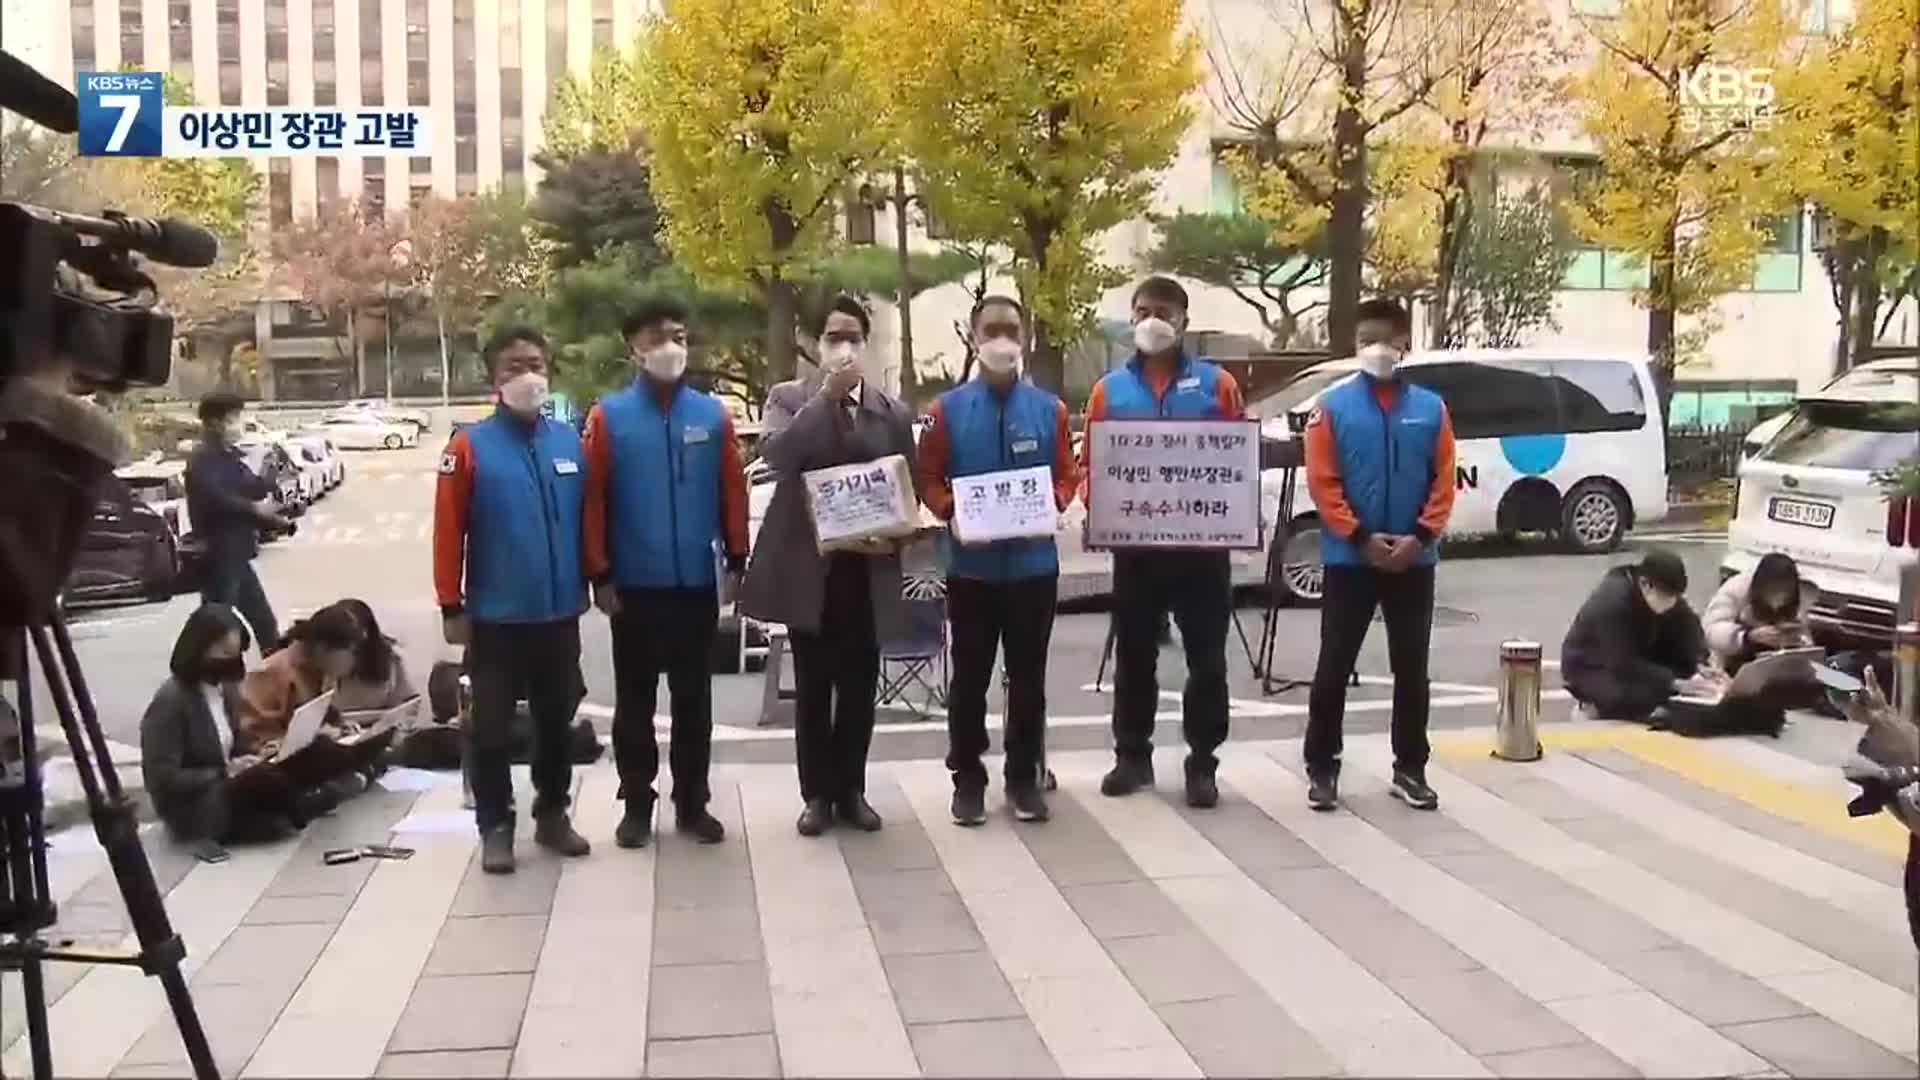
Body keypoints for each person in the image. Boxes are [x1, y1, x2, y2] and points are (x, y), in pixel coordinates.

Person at [740, 295, 918, 837]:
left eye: (853, 338)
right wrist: (825, 400)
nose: (843, 347)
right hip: (810, 569)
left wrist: (900, 532)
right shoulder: (787, 399)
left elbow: (902, 481)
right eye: (833, 338)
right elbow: (778, 455)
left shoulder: (891, 410)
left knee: (861, 685)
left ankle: (852, 789)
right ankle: (815, 793)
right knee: (814, 686)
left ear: (867, 345)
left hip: (868, 567)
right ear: (817, 346)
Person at [584, 299, 749, 848]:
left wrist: (736, 556)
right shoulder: (609, 418)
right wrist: (600, 574)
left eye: (678, 335)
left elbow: (732, 490)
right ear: (635, 349)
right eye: (658, 338)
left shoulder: (711, 415)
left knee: (693, 700)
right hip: (634, 586)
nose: (671, 347)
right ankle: (636, 803)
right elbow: (595, 501)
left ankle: (693, 802)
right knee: (634, 703)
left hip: (694, 585)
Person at [1081, 276, 1245, 809]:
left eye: (1164, 311)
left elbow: (1235, 464)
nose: (1153, 320)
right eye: (1143, 310)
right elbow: (1092, 468)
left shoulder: (1218, 386)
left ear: (1183, 322)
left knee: (1208, 661)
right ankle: (1132, 756)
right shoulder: (1109, 390)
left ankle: (1202, 763)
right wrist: (1103, 506)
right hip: (1137, 551)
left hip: (1202, 552)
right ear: (1131, 319)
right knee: (1134, 657)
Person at [434, 325, 592, 874]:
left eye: (536, 365)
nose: (528, 377)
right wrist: (450, 605)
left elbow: (588, 521)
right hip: (495, 618)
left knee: (557, 721)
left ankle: (552, 814)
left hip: (558, 613)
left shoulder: (569, 440)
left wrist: (597, 578)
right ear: (492, 379)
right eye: (513, 368)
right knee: (491, 728)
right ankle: (496, 826)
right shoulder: (468, 446)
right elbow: (447, 533)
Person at [916, 295, 1078, 826]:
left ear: (1026, 336)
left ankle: (1023, 778)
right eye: (992, 330)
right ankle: (967, 779)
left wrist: (1054, 500)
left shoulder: (1049, 409)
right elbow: (929, 477)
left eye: (1012, 329)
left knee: (1029, 679)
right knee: (969, 680)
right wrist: (949, 512)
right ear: (972, 335)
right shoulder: (947, 411)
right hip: (972, 572)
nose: (1002, 340)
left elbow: (1066, 473)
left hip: (1033, 570)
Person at [1300, 298, 1456, 812]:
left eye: (1388, 339)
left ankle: (1410, 768)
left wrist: (1420, 535)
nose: (1378, 349)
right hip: (1350, 560)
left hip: (1415, 560)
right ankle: (1322, 769)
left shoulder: (1432, 409)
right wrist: (1361, 537)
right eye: (1368, 339)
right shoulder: (1332, 409)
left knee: (1412, 669)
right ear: (1355, 343)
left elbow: (1443, 480)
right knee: (1333, 666)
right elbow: (1323, 483)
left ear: (1406, 344)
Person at [140, 604, 321, 860]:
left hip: (231, 782)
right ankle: (304, 805)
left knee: (307, 752)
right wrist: (223, 772)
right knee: (269, 782)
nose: (232, 661)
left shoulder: (226, 689)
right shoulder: (172, 701)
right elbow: (162, 779)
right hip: (196, 803)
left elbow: (234, 744)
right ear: (199, 650)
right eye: (224, 652)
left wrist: (256, 753)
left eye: (236, 653)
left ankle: (299, 804)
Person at [236, 604, 375, 801]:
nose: (353, 660)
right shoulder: (277, 671)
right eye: (349, 652)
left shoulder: (320, 670)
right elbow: (253, 735)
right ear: (323, 648)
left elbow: (316, 712)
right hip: (271, 759)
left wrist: (339, 725)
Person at [1561, 549, 1718, 723]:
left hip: (1639, 652)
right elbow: (1622, 662)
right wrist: (1674, 683)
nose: (1671, 602)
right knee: (1631, 695)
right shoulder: (1612, 604)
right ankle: (1594, 709)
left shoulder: (1663, 594)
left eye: (1675, 597)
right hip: (1592, 664)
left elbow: (1689, 626)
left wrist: (1700, 662)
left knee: (1678, 672)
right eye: (1666, 595)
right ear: (1644, 584)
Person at [185, 392, 290, 650]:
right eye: (234, 418)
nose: (239, 424)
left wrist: (272, 473)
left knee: (264, 624)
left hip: (236, 556)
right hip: (219, 556)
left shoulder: (229, 456)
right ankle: (202, 681)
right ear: (215, 423)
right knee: (217, 631)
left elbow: (252, 487)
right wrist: (258, 510)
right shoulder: (203, 460)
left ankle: (277, 678)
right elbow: (218, 500)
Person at [331, 598, 418, 771]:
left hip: (381, 741)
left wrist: (385, 728)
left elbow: (408, 705)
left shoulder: (388, 660)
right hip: (337, 743)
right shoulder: (326, 662)